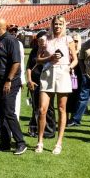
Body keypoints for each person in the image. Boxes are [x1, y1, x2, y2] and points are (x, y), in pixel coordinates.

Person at [34, 16, 77, 154]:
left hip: (63, 73)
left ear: (64, 25)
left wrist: (70, 67)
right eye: (55, 24)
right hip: (47, 73)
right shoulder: (45, 39)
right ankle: (40, 141)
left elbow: (75, 59)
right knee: (42, 109)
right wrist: (49, 58)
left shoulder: (68, 39)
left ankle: (59, 143)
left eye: (60, 24)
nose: (58, 26)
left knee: (61, 108)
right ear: (52, 25)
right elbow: (37, 59)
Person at [0, 18, 28, 155]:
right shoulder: (0, 40)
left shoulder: (11, 40)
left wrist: (9, 80)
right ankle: (5, 144)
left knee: (9, 112)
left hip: (8, 83)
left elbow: (16, 62)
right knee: (2, 113)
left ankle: (21, 143)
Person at [70, 26, 90, 127]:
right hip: (87, 75)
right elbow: (80, 60)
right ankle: (76, 120)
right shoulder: (85, 45)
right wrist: (83, 72)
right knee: (82, 98)